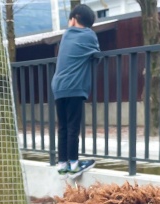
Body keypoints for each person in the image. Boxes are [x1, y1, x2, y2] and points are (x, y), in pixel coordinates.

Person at [51, 4, 101, 176]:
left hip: (58, 87)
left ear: (73, 18)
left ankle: (62, 164)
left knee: (63, 127)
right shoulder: (89, 35)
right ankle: (74, 164)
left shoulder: (66, 35)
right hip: (74, 87)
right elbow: (96, 57)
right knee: (73, 127)